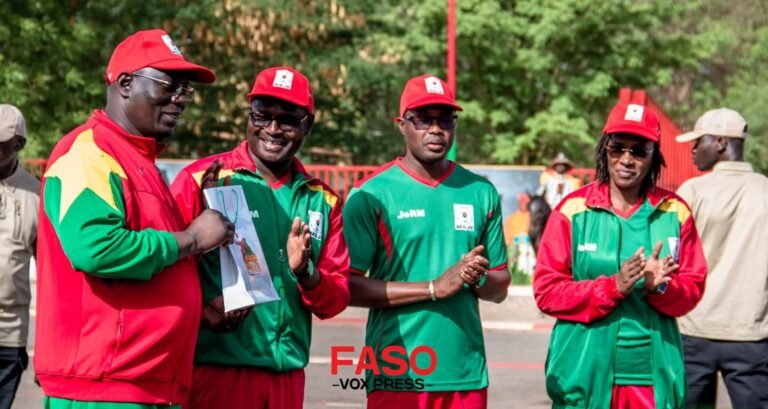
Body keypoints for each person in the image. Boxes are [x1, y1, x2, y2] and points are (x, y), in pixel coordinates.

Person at [34, 29, 234, 409]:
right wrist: (192, 239)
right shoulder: (88, 153)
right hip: (106, 386)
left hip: (144, 383)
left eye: (185, 90)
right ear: (125, 83)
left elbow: (157, 264)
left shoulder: (140, 162)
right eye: (169, 85)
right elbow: (97, 248)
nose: (181, 99)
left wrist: (198, 310)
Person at [170, 66, 350, 409]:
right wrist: (200, 312)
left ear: (307, 125)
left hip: (286, 379)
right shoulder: (203, 179)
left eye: (287, 119)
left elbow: (337, 298)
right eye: (262, 115)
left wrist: (306, 274)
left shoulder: (323, 200)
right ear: (248, 116)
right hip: (214, 373)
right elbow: (164, 266)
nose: (272, 128)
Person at [343, 74, 510, 409]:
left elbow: (501, 286)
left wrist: (474, 275)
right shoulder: (370, 194)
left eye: (445, 119)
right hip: (397, 372)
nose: (436, 129)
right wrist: (434, 287)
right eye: (422, 119)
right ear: (401, 124)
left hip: (465, 372)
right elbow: (347, 287)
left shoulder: (481, 191)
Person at [534, 101, 707, 408]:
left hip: (652, 381)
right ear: (605, 150)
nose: (627, 159)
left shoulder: (675, 212)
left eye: (639, 150)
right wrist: (612, 287)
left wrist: (661, 287)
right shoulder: (572, 210)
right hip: (583, 375)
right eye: (618, 148)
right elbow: (546, 292)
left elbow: (692, 289)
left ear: (654, 156)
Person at [675, 108, 768, 409]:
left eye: (697, 142)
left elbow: (671, 260)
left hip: (693, 330)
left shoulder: (692, 192)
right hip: (752, 333)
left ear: (719, 142)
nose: (692, 150)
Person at [0, 104, 38, 409]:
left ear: (19, 144)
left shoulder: (37, 196)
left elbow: (53, 278)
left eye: (1, 145)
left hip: (8, 337)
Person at [504, 193, 536, 282]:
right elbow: (507, 239)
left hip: (530, 251)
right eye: (522, 201)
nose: (524, 204)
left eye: (526, 202)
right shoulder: (512, 218)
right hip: (515, 251)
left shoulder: (534, 217)